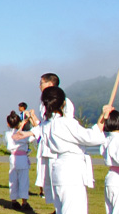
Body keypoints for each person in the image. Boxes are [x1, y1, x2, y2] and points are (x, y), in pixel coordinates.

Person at [39, 86, 112, 214]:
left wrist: (102, 118)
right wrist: (102, 118)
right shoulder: (66, 123)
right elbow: (91, 137)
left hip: (58, 169)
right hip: (71, 171)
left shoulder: (46, 125)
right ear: (64, 103)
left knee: (62, 209)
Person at [36, 73, 76, 200]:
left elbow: (66, 124)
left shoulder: (65, 102)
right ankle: (56, 207)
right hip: (46, 147)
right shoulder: (43, 103)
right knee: (48, 180)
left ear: (50, 84)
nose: (39, 86)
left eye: (41, 83)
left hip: (58, 147)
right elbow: (43, 125)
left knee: (59, 180)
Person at [5, 111, 37, 210]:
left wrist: (22, 124)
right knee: (23, 180)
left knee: (13, 180)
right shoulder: (23, 134)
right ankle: (24, 202)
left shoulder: (7, 134)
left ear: (8, 124)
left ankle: (13, 201)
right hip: (22, 158)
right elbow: (35, 133)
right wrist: (31, 118)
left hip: (13, 158)